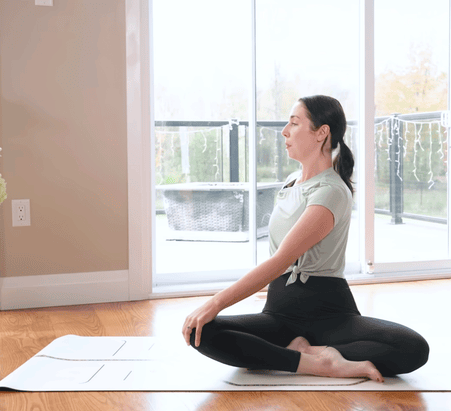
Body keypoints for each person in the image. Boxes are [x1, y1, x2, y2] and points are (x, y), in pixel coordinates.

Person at [182, 95, 429, 382]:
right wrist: (210, 312)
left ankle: (304, 354)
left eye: (294, 123)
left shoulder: (332, 191)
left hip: (329, 314)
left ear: (321, 133)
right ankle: (314, 360)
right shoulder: (290, 183)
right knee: (200, 332)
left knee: (413, 348)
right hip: (279, 311)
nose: (285, 131)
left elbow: (280, 262)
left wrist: (214, 303)